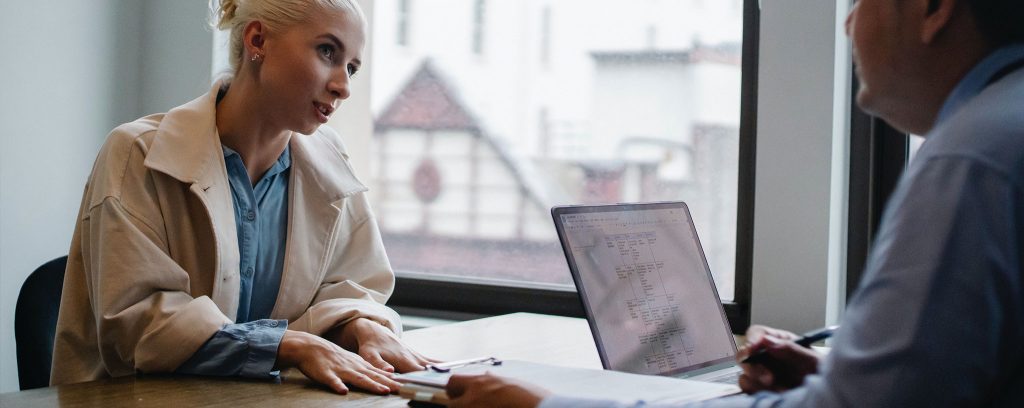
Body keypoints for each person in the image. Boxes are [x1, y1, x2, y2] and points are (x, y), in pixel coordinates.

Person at [446, 0, 1024, 406]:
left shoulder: (973, 159)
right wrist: (837, 376)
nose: (848, 23)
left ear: (932, 7)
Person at [51, 0, 433, 395]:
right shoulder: (135, 153)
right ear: (258, 40)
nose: (344, 87)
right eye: (327, 52)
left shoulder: (330, 162)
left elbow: (354, 285)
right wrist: (288, 346)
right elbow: (137, 327)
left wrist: (362, 326)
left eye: (351, 68)